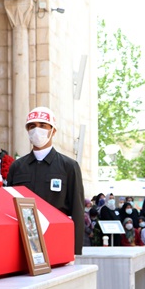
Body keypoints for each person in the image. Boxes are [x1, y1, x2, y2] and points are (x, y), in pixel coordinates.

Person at [6, 106, 85, 254]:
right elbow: (8, 206)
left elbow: (77, 209)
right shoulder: (17, 167)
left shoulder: (69, 166)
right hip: (23, 241)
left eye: (42, 126)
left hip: (56, 240)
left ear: (53, 131)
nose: (37, 130)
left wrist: (74, 250)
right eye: (32, 126)